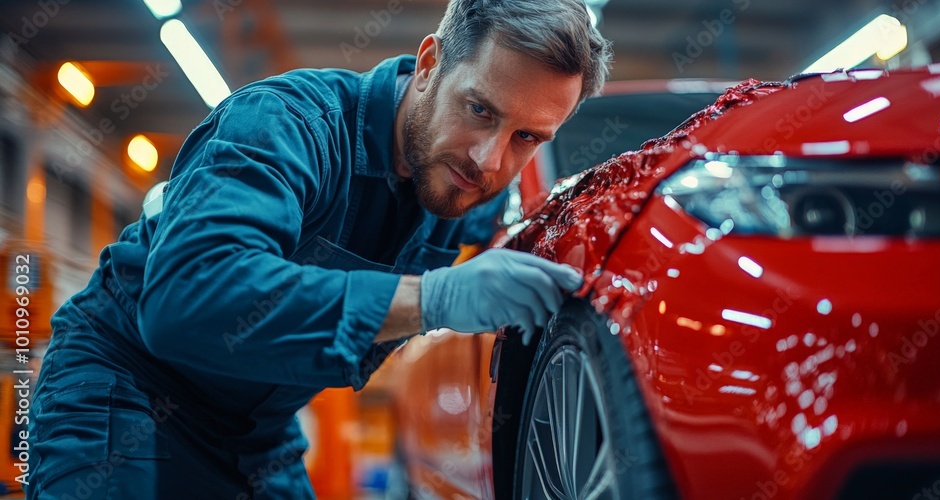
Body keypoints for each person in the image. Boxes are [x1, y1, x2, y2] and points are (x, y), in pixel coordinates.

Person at [27, 0, 612, 497]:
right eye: (479, 109)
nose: (488, 159)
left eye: (527, 138)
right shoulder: (284, 124)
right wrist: (430, 297)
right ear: (432, 65)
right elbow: (186, 298)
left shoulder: (472, 193)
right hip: (124, 394)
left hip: (259, 432)